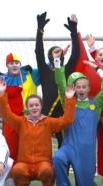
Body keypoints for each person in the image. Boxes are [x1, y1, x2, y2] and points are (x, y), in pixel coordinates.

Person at [0, 77, 76, 186]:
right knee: (17, 170)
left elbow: (67, 120)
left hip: (42, 162)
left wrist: (70, 99)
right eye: (31, 105)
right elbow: (5, 114)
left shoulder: (48, 122)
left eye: (36, 105)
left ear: (41, 106)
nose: (34, 108)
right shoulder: (21, 122)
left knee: (47, 170)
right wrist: (1, 93)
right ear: (27, 107)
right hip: (25, 162)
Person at [52, 53, 103, 186]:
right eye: (77, 87)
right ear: (72, 88)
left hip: (86, 153)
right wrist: (58, 62)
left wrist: (97, 69)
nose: (80, 89)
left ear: (88, 88)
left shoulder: (95, 104)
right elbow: (60, 83)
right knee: (58, 158)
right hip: (69, 147)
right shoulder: (69, 103)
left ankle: (82, 185)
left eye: (83, 86)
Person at [0, 53, 40, 186]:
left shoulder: (31, 75)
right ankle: (11, 184)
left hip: (28, 122)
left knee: (24, 153)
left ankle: (23, 184)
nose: (14, 65)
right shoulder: (1, 80)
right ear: (6, 65)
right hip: (10, 123)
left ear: (20, 64)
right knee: (10, 151)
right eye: (11, 63)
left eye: (17, 62)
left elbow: (46, 69)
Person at [35, 12, 80, 148]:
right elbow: (38, 52)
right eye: (55, 52)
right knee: (44, 149)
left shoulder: (67, 70)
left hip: (63, 117)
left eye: (60, 52)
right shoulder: (44, 70)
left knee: (63, 149)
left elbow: (76, 53)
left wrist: (73, 32)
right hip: (46, 116)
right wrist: (40, 29)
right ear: (50, 56)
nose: (58, 53)